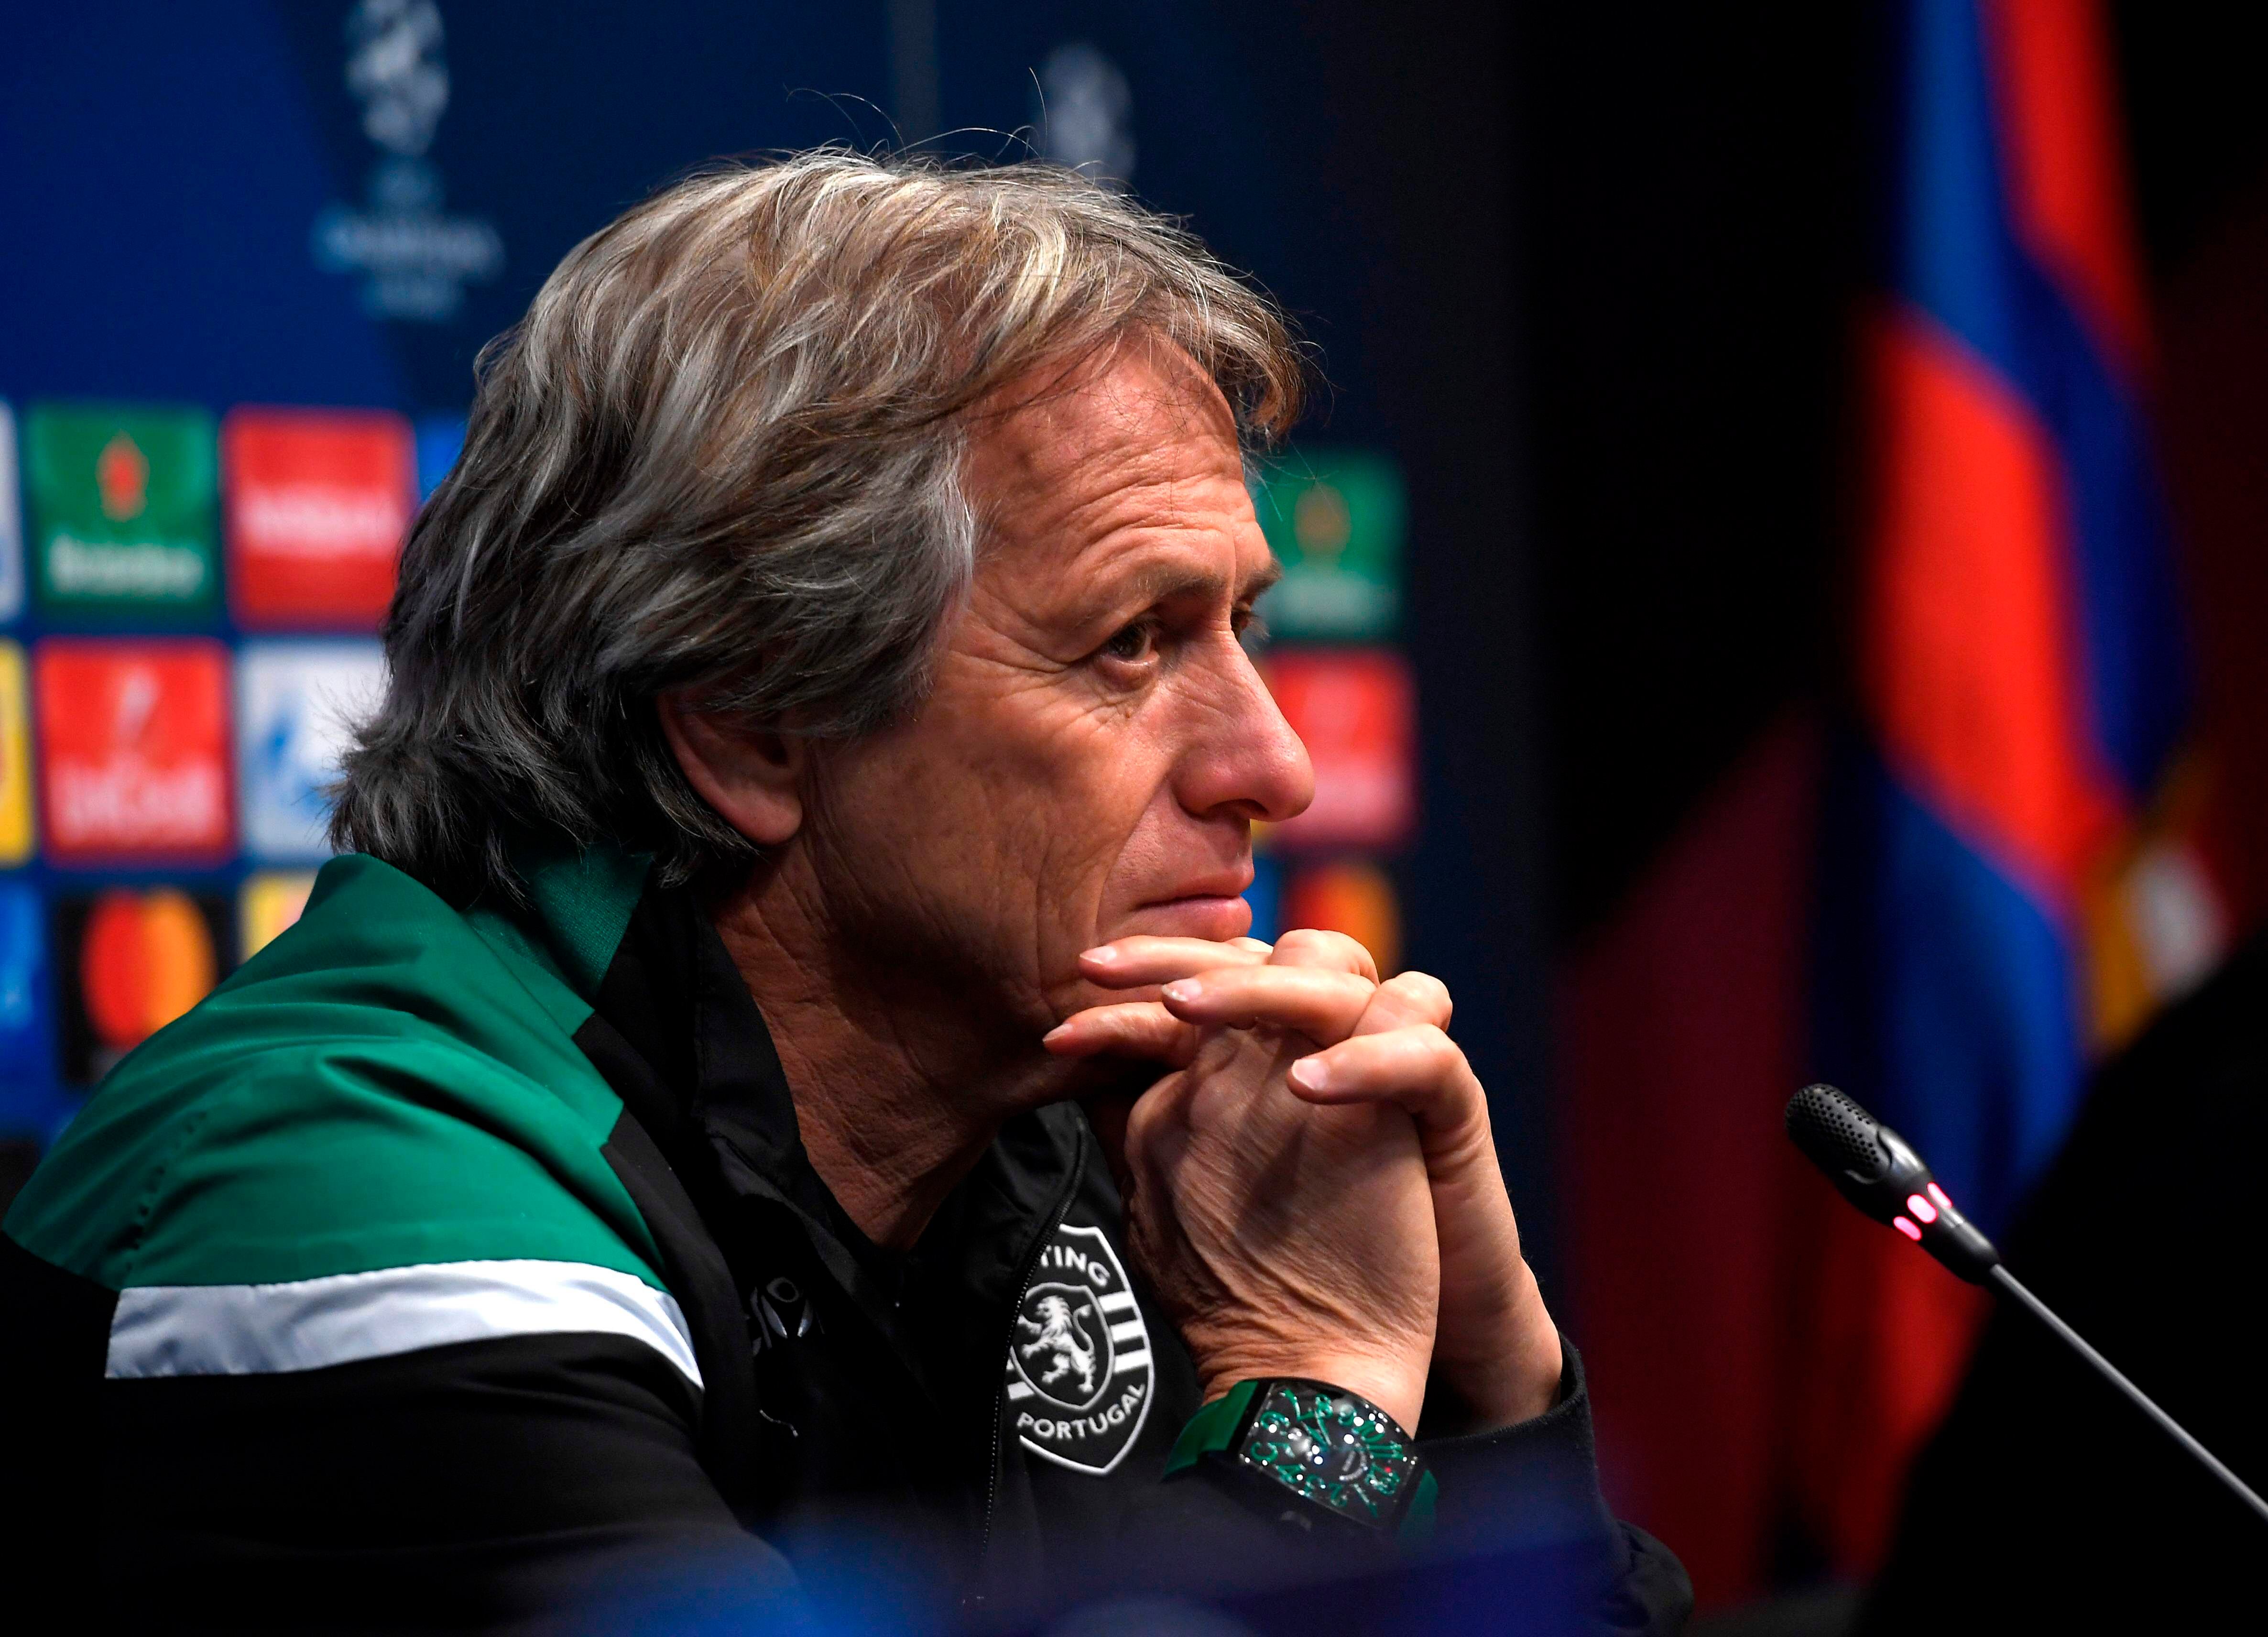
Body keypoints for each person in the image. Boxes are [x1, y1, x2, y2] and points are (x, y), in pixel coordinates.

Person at [0, 154, 1688, 1633]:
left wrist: (1493, 1375)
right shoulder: (353, 1185)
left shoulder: (1099, 1120)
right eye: (1132, 643)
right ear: (750, 726)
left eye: (1243, 626)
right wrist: (1317, 1404)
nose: (1277, 765)